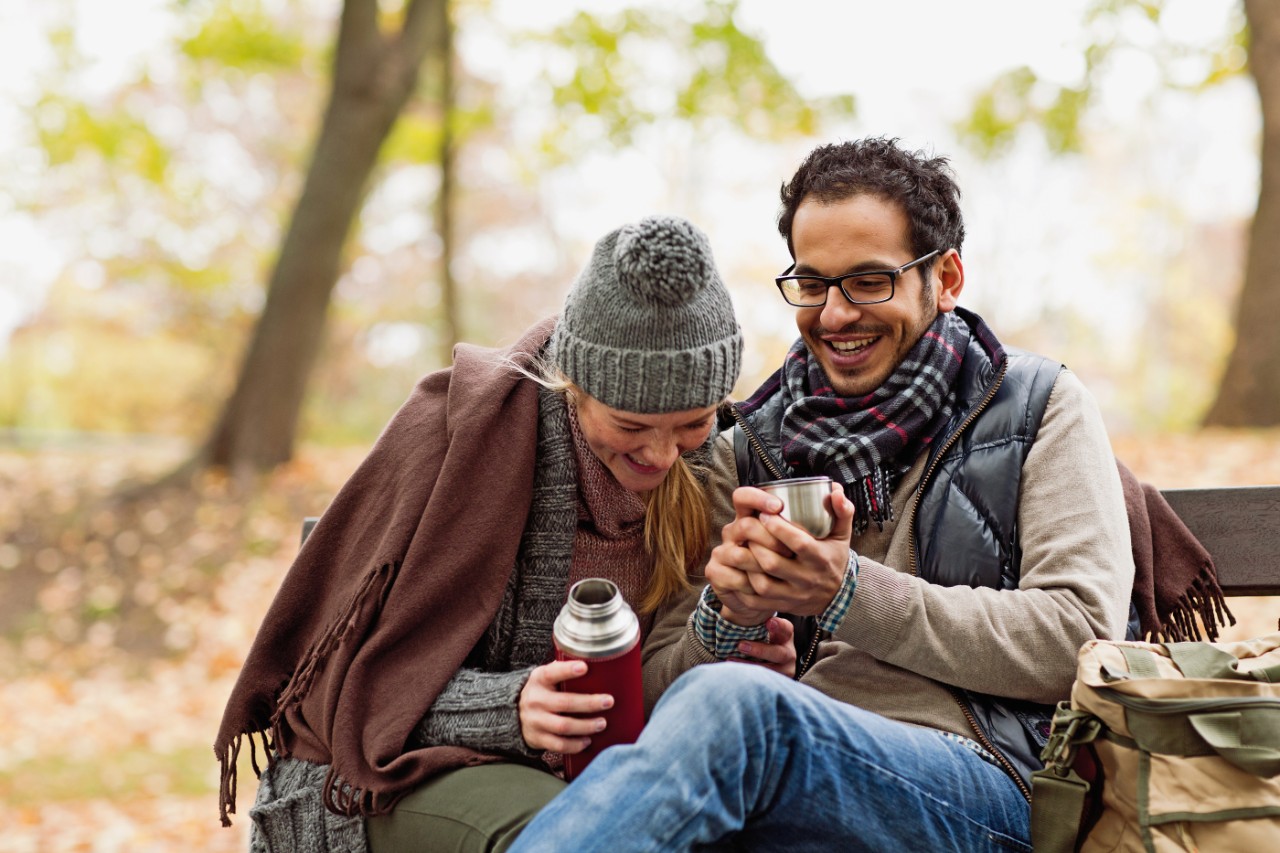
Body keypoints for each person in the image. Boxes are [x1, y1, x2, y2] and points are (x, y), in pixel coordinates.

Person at [505, 137, 1137, 853]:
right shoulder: (746, 446)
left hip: (993, 785)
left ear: (947, 275)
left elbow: (1080, 638)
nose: (835, 314)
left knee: (742, 713)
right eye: (813, 283)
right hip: (797, 780)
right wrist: (724, 617)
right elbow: (655, 696)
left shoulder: (1036, 407)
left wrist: (848, 592)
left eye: (869, 281)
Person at [213, 214, 745, 852]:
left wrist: (733, 630)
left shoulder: (710, 473)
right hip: (375, 778)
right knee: (582, 835)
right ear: (573, 388)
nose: (662, 455)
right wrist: (509, 707)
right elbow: (344, 684)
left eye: (690, 423)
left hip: (591, 766)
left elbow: (651, 681)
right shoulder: (455, 438)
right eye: (631, 425)